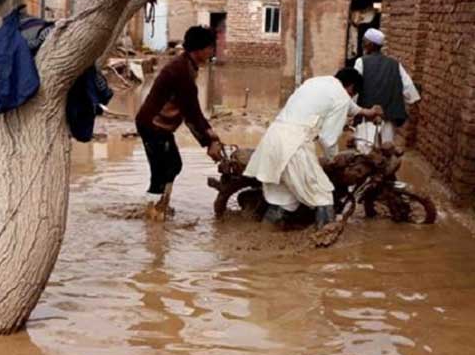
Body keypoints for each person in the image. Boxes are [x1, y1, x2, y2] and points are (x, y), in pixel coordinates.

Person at [243, 68, 383, 227]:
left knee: (283, 200)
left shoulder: (316, 83)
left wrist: (368, 112)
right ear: (351, 87)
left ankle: (264, 237)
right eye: (352, 93)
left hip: (273, 139)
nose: (350, 97)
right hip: (294, 145)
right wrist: (334, 160)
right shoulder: (342, 97)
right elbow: (328, 139)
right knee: (323, 195)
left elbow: (348, 105)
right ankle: (324, 243)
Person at [135, 26, 222, 221]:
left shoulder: (187, 65)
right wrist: (210, 141)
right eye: (210, 47)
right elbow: (192, 112)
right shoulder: (181, 71)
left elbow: (191, 112)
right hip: (153, 125)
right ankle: (153, 216)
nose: (212, 52)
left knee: (173, 164)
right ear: (198, 49)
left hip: (159, 126)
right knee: (161, 170)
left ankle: (161, 206)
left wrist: (209, 138)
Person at [352, 28, 421, 152]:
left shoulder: (361, 62)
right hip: (389, 116)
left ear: (371, 44)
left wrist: (353, 110)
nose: (362, 44)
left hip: (368, 117)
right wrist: (411, 103)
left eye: (364, 42)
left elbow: (355, 88)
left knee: (365, 153)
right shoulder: (395, 64)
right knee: (386, 152)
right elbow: (409, 90)